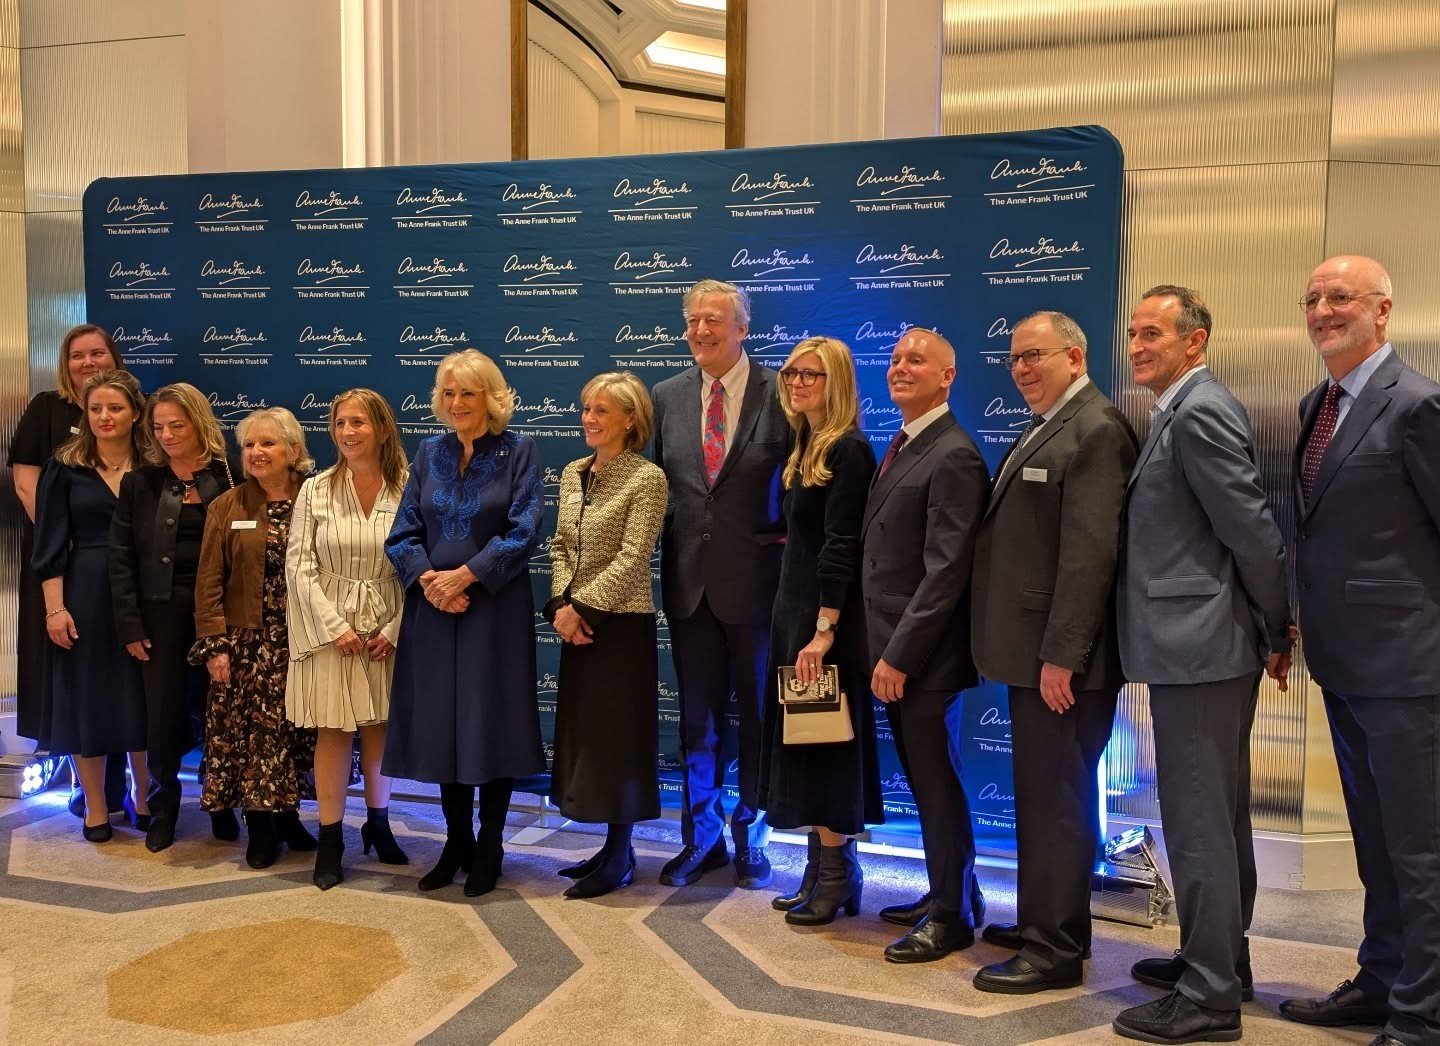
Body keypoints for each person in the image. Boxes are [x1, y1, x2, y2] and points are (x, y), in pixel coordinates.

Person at [1111, 286, 1292, 1043]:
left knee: (1198, 822)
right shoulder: (1177, 410)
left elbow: (1250, 527)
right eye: (1133, 333)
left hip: (1203, 647)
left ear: (1197, 340)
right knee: (1211, 816)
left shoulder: (1203, 409)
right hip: (1195, 645)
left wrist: (1277, 624)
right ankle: (1219, 959)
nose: (1139, 345)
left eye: (1154, 332)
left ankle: (1211, 998)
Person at [1279, 256, 1440, 1046]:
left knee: (1422, 851)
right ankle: (1383, 979)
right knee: (1377, 844)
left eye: (1340, 297)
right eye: (1312, 299)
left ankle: (1425, 1012)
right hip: (1343, 665)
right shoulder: (1320, 402)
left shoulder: (1418, 405)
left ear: (1383, 311)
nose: (1322, 310)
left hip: (1413, 669)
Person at [969, 311, 1137, 994]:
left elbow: (1090, 555)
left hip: (1064, 663)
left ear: (1075, 354)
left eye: (1034, 355)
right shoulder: (1051, 424)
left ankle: (1055, 951)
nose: (1022, 368)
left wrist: (1063, 654)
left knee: (1058, 801)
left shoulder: (1095, 428)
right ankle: (1047, 918)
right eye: (1014, 358)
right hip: (1035, 654)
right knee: (1044, 798)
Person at [384, 350, 545, 897]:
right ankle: (456, 842)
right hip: (433, 610)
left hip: (493, 610)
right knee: (441, 725)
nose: (456, 404)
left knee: (489, 722)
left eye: (468, 393)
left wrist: (468, 577)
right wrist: (431, 580)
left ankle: (491, 845)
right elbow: (403, 531)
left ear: (492, 398)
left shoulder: (519, 450)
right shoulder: (428, 451)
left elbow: (525, 530)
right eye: (449, 393)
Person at [651, 279, 790, 890]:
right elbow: (657, 495)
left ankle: (751, 833)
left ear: (743, 328)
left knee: (759, 720)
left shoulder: (782, 393)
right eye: (693, 321)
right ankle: (700, 839)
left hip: (760, 589)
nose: (701, 331)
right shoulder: (665, 397)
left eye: (714, 321)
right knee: (697, 722)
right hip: (688, 588)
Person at [860, 328, 991, 962]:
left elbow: (946, 573)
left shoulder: (954, 453)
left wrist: (899, 656)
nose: (900, 367)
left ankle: (951, 917)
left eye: (917, 360)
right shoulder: (909, 442)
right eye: (895, 359)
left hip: (923, 659)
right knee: (925, 781)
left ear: (948, 376)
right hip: (893, 648)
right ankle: (953, 893)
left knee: (936, 785)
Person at [757, 336, 881, 925]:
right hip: (794, 611)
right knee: (805, 740)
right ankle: (818, 868)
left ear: (838, 383)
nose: (799, 383)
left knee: (827, 745)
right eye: (791, 373)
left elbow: (842, 546)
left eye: (813, 374)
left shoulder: (849, 449)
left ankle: (839, 875)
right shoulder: (806, 442)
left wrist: (824, 629)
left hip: (822, 621)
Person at [546, 372, 668, 899]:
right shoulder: (573, 472)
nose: (589, 419)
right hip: (575, 622)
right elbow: (559, 547)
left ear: (629, 420)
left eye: (601, 411)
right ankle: (612, 847)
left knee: (618, 739)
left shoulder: (648, 478)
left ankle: (620, 853)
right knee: (587, 736)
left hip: (619, 625)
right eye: (586, 409)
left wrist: (584, 609)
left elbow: (633, 556)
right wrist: (560, 606)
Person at [286, 389, 409, 890]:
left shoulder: (408, 487)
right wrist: (335, 627)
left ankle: (379, 824)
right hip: (328, 629)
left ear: (381, 428)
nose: (347, 432)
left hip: (386, 626)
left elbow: (420, 562)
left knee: (380, 729)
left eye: (358, 422)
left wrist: (393, 630)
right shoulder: (314, 489)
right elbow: (299, 566)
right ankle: (331, 839)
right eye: (339, 423)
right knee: (333, 733)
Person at [110, 383, 239, 852]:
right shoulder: (139, 483)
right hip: (158, 614)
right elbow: (120, 559)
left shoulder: (231, 476)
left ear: (200, 423)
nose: (165, 435)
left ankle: (223, 804)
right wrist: (130, 623)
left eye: (176, 425)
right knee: (162, 715)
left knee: (220, 711)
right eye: (158, 426)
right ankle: (162, 808)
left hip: (220, 613)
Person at [10, 324, 130, 814]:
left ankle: (125, 780)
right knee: (76, 671)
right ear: (66, 363)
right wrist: (65, 534)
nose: (88, 362)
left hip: (119, 566)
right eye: (77, 355)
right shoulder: (46, 409)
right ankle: (88, 786)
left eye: (97, 352)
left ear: (113, 357)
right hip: (61, 561)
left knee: (122, 672)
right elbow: (25, 485)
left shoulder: (129, 408)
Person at [191, 407, 318, 869]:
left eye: (267, 443)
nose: (256, 453)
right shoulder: (227, 505)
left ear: (294, 450)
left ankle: (288, 816)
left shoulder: (317, 499)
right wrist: (215, 645)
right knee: (250, 739)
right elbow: (208, 581)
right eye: (248, 445)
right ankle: (259, 828)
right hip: (245, 645)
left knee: (294, 734)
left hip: (303, 641)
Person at [33, 369, 151, 841]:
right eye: (96, 408)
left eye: (115, 408)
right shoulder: (64, 467)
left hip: (145, 591)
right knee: (87, 700)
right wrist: (54, 609)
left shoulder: (156, 464)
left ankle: (144, 799)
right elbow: (49, 545)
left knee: (141, 699)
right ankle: (96, 808)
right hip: (82, 592)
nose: (105, 417)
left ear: (135, 414)